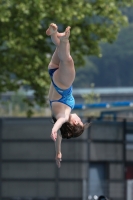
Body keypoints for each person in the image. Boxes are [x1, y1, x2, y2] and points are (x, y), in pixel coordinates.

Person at [46, 23, 90, 168]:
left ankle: (64, 39)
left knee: (68, 59)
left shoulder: (64, 116)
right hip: (53, 73)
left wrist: (53, 130)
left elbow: (58, 127)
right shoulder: (58, 117)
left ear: (75, 123)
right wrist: (58, 152)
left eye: (80, 120)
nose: (79, 118)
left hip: (62, 85)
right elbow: (60, 135)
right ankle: (54, 34)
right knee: (60, 50)